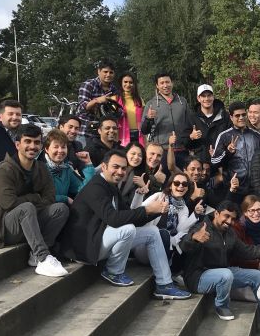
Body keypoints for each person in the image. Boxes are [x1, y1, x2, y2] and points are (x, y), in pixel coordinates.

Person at [59, 149, 191, 299]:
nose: (120, 171)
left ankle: (164, 284)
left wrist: (154, 211)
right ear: (104, 167)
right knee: (127, 229)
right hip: (84, 247)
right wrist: (147, 209)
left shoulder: (111, 186)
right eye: (115, 167)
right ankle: (113, 271)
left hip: (100, 238)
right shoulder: (96, 186)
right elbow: (114, 219)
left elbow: (129, 215)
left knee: (153, 232)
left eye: (123, 168)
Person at [0, 123, 69, 277]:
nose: (33, 146)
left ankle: (36, 255)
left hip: (30, 221)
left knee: (60, 209)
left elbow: (49, 198)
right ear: (18, 145)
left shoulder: (42, 168)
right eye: (28, 141)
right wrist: (35, 197)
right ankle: (43, 258)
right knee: (27, 207)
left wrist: (33, 201)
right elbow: (8, 204)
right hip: (4, 227)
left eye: (37, 142)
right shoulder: (5, 170)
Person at [180, 201, 260, 320]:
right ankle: (222, 306)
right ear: (216, 213)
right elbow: (184, 246)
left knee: (257, 276)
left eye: (233, 218)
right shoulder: (202, 227)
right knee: (226, 274)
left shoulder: (230, 233)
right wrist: (194, 238)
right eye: (226, 216)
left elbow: (247, 251)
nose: (229, 221)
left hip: (223, 274)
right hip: (198, 277)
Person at [143, 171, 202, 272]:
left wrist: (195, 214)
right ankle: (167, 272)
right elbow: (139, 211)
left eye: (184, 184)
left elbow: (181, 229)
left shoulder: (184, 208)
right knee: (163, 234)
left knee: (189, 238)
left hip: (166, 247)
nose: (181, 186)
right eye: (176, 183)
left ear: (187, 188)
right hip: (145, 246)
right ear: (170, 185)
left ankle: (177, 272)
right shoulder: (159, 196)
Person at [141, 72, 199, 165]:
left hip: (181, 150)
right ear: (157, 85)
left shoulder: (182, 102)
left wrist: (190, 138)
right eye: (162, 83)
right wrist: (148, 118)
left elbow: (190, 125)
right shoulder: (151, 104)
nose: (165, 85)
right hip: (161, 151)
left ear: (172, 83)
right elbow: (144, 131)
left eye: (167, 82)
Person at [211, 102, 260, 199]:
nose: (241, 118)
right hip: (234, 188)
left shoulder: (257, 136)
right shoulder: (224, 136)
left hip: (255, 188)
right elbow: (214, 162)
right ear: (231, 117)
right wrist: (228, 152)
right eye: (237, 115)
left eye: (243, 115)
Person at [44, 128, 95, 204]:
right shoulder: (39, 167)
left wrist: (88, 164)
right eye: (56, 147)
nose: (60, 150)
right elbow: (40, 197)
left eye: (63, 147)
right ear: (47, 149)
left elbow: (84, 190)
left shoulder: (67, 169)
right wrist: (65, 199)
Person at [76, 58, 120, 144]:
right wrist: (97, 100)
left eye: (111, 72)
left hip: (103, 135)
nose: (108, 75)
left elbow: (118, 111)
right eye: (105, 72)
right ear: (99, 71)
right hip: (85, 132)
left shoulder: (114, 90)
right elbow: (82, 108)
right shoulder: (88, 84)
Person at [190, 84, 230, 158]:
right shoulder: (192, 117)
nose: (207, 98)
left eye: (209, 95)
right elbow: (186, 143)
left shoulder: (224, 116)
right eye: (203, 96)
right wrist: (191, 137)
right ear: (198, 98)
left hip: (221, 160)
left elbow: (231, 136)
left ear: (213, 97)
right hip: (201, 162)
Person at [113, 72, 144, 146]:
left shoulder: (140, 100)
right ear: (121, 83)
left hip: (138, 136)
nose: (128, 84)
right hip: (121, 136)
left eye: (131, 82)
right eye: (125, 82)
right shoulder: (115, 99)